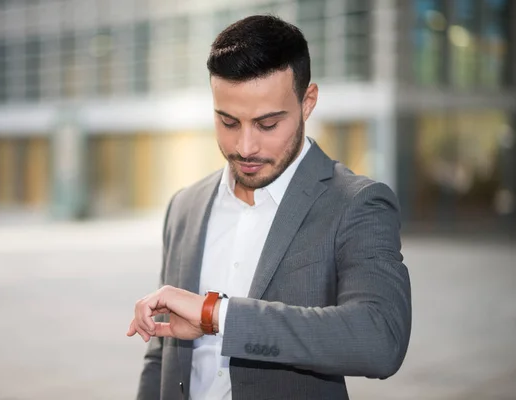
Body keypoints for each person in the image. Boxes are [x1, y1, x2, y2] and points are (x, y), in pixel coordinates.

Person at [128, 15, 411, 400]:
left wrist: (216, 315)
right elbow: (161, 355)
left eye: (267, 124)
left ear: (307, 102)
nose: (245, 147)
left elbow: (380, 338)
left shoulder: (356, 203)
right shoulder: (185, 206)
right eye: (228, 121)